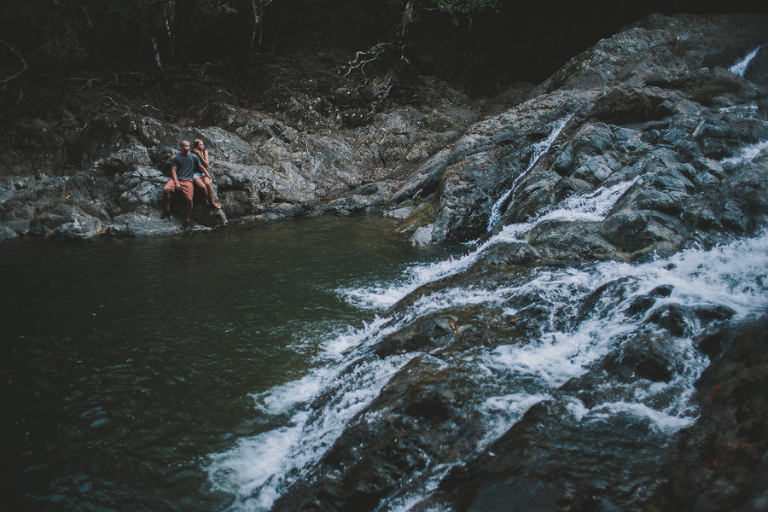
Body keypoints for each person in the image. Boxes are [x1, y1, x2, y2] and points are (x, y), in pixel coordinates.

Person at [162, 140, 206, 228]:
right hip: (178, 178)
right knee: (166, 189)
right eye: (186, 146)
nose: (188, 147)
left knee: (189, 199)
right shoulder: (176, 157)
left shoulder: (193, 156)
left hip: (188, 180)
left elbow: (201, 167)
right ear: (181, 147)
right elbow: (173, 170)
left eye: (189, 146)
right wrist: (176, 182)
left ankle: (187, 220)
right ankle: (167, 209)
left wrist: (208, 176)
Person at [192, 139, 221, 209]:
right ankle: (210, 201)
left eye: (202, 144)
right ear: (196, 147)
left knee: (207, 184)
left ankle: (212, 203)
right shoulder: (192, 154)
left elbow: (206, 165)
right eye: (200, 145)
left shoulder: (205, 152)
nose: (203, 146)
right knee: (202, 186)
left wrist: (200, 156)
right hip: (195, 173)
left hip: (204, 172)